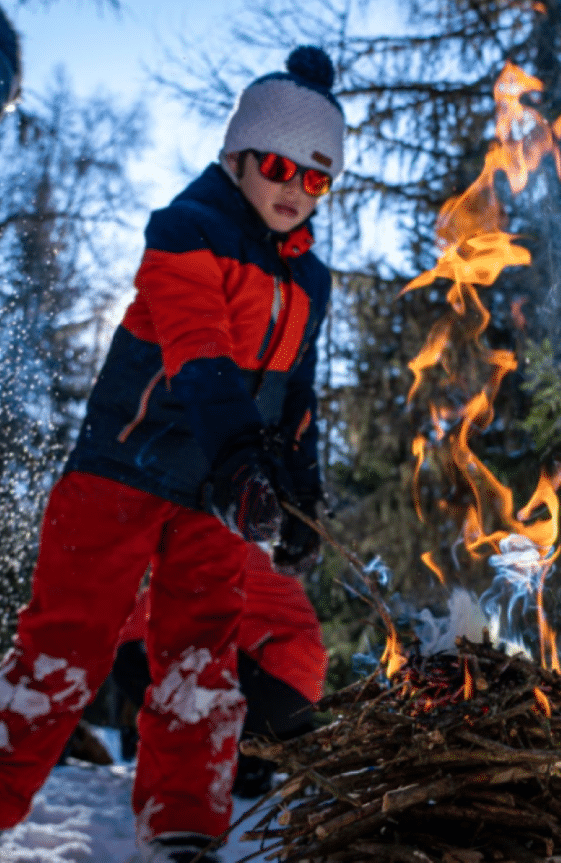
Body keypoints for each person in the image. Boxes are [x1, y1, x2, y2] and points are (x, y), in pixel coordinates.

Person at [0, 45, 343, 863]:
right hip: (119, 472)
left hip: (213, 498)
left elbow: (294, 397)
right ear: (236, 157)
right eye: (277, 166)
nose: (294, 190)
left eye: (316, 179)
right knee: (65, 648)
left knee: (202, 656)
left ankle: (184, 822)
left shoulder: (310, 281)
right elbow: (199, 354)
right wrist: (239, 462)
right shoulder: (185, 231)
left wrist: (298, 495)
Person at [113, 544, 328, 799]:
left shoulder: (208, 550)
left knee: (130, 657)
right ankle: (251, 757)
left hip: (270, 682)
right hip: (298, 696)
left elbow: (140, 621)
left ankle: (213, 755)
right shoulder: (246, 551)